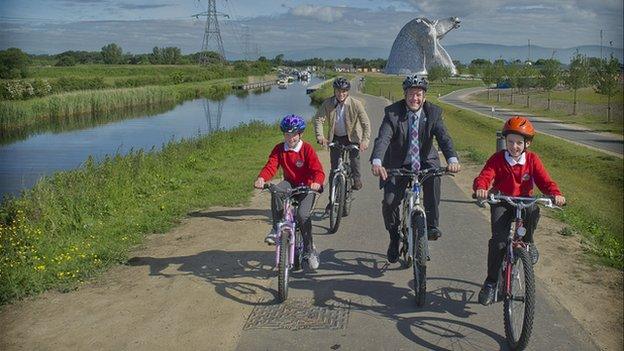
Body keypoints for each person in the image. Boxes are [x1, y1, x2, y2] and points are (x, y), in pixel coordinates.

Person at [473, 116, 566, 306]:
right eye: (510, 142)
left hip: (523, 201)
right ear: (504, 141)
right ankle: (491, 283)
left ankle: (528, 242)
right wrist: (481, 188)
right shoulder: (498, 158)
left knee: (533, 210)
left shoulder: (532, 160)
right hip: (502, 200)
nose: (514, 146)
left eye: (519, 142)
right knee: (498, 243)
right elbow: (485, 175)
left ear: (527, 143)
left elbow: (544, 181)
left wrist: (555, 194)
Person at [370, 75, 461, 263]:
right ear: (405, 95)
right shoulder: (393, 113)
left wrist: (452, 159)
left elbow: (444, 138)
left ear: (424, 96)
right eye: (411, 94)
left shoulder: (433, 113)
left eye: (418, 94)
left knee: (435, 179)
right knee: (389, 202)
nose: (415, 99)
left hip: (425, 161)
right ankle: (394, 237)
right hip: (397, 163)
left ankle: (433, 225)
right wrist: (377, 160)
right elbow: (383, 138)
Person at [254, 114, 325, 269]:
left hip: (306, 187)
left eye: (294, 135)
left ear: (300, 134)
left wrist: (317, 183)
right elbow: (271, 166)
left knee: (302, 215)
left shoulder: (307, 149)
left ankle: (309, 249)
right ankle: (276, 226)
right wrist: (261, 178)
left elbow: (318, 171)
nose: (290, 138)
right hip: (290, 184)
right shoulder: (280, 149)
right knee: (276, 190)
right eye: (287, 134)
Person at [314, 77, 371, 204]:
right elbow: (319, 119)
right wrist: (320, 136)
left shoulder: (356, 104)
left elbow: (365, 123)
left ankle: (356, 178)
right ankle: (332, 200)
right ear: (334, 91)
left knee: (354, 159)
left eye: (344, 91)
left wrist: (365, 140)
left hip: (352, 137)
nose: (341, 94)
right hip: (336, 137)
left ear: (347, 92)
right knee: (334, 169)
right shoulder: (328, 103)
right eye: (338, 91)